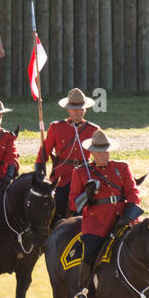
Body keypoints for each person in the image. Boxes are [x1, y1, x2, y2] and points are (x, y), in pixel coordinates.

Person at [67, 131, 148, 298]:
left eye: (106, 151)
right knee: (90, 252)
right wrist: (86, 194)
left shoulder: (122, 167)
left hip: (124, 219)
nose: (104, 154)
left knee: (148, 244)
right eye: (100, 151)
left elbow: (134, 193)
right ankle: (84, 293)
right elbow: (74, 204)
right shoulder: (80, 173)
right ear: (92, 153)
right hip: (97, 223)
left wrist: (128, 216)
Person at [36, 87, 100, 224]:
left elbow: (99, 156)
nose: (78, 112)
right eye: (75, 109)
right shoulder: (56, 127)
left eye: (82, 108)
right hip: (62, 176)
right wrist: (38, 170)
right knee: (56, 207)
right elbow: (44, 151)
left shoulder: (93, 130)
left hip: (85, 175)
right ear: (68, 109)